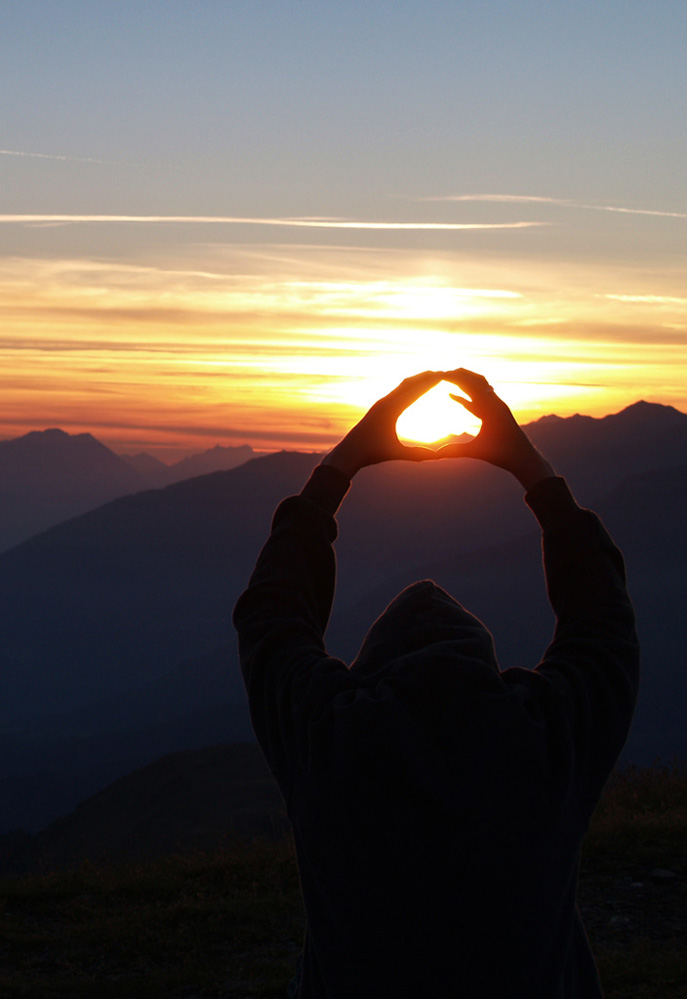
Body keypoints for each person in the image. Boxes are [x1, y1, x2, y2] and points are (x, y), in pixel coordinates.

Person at [232, 368, 639, 998]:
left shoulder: (328, 742)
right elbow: (603, 621)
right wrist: (531, 470)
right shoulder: (547, 740)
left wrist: (344, 464)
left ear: (368, 673)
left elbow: (271, 616)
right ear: (488, 667)